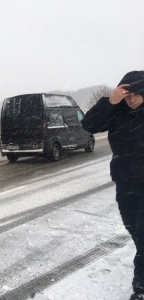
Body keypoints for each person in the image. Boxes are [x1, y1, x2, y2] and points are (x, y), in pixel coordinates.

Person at [82, 70, 144, 300]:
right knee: (134, 230)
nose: (132, 99)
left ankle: (141, 288)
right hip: (126, 181)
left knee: (143, 233)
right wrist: (110, 102)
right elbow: (89, 125)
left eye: (137, 94)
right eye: (127, 95)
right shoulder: (117, 112)